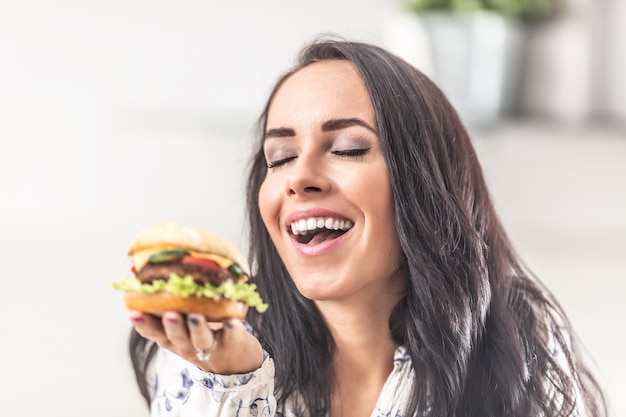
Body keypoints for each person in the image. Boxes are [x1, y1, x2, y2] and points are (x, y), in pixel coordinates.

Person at [127, 36, 607, 417]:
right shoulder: (201, 352)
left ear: (425, 184)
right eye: (281, 156)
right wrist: (234, 384)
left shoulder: (519, 353)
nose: (300, 178)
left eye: (349, 148)